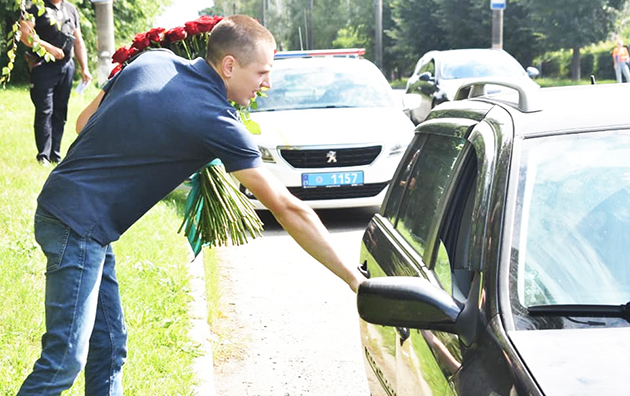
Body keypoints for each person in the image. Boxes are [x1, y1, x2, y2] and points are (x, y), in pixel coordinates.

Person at [17, 15, 365, 395]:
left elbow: (85, 123)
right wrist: (352, 277)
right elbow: (286, 207)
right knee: (64, 361)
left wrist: (160, 149)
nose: (268, 83)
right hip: (77, 225)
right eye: (262, 72)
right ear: (229, 65)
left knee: (110, 346)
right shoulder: (216, 119)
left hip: (71, 209)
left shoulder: (154, 60)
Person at [19, 0, 91, 165]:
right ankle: (43, 155)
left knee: (60, 111)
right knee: (45, 110)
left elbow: (78, 41)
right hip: (43, 66)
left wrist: (84, 67)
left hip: (67, 67)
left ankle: (55, 155)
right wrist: (49, 48)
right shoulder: (35, 6)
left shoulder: (71, 9)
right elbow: (24, 34)